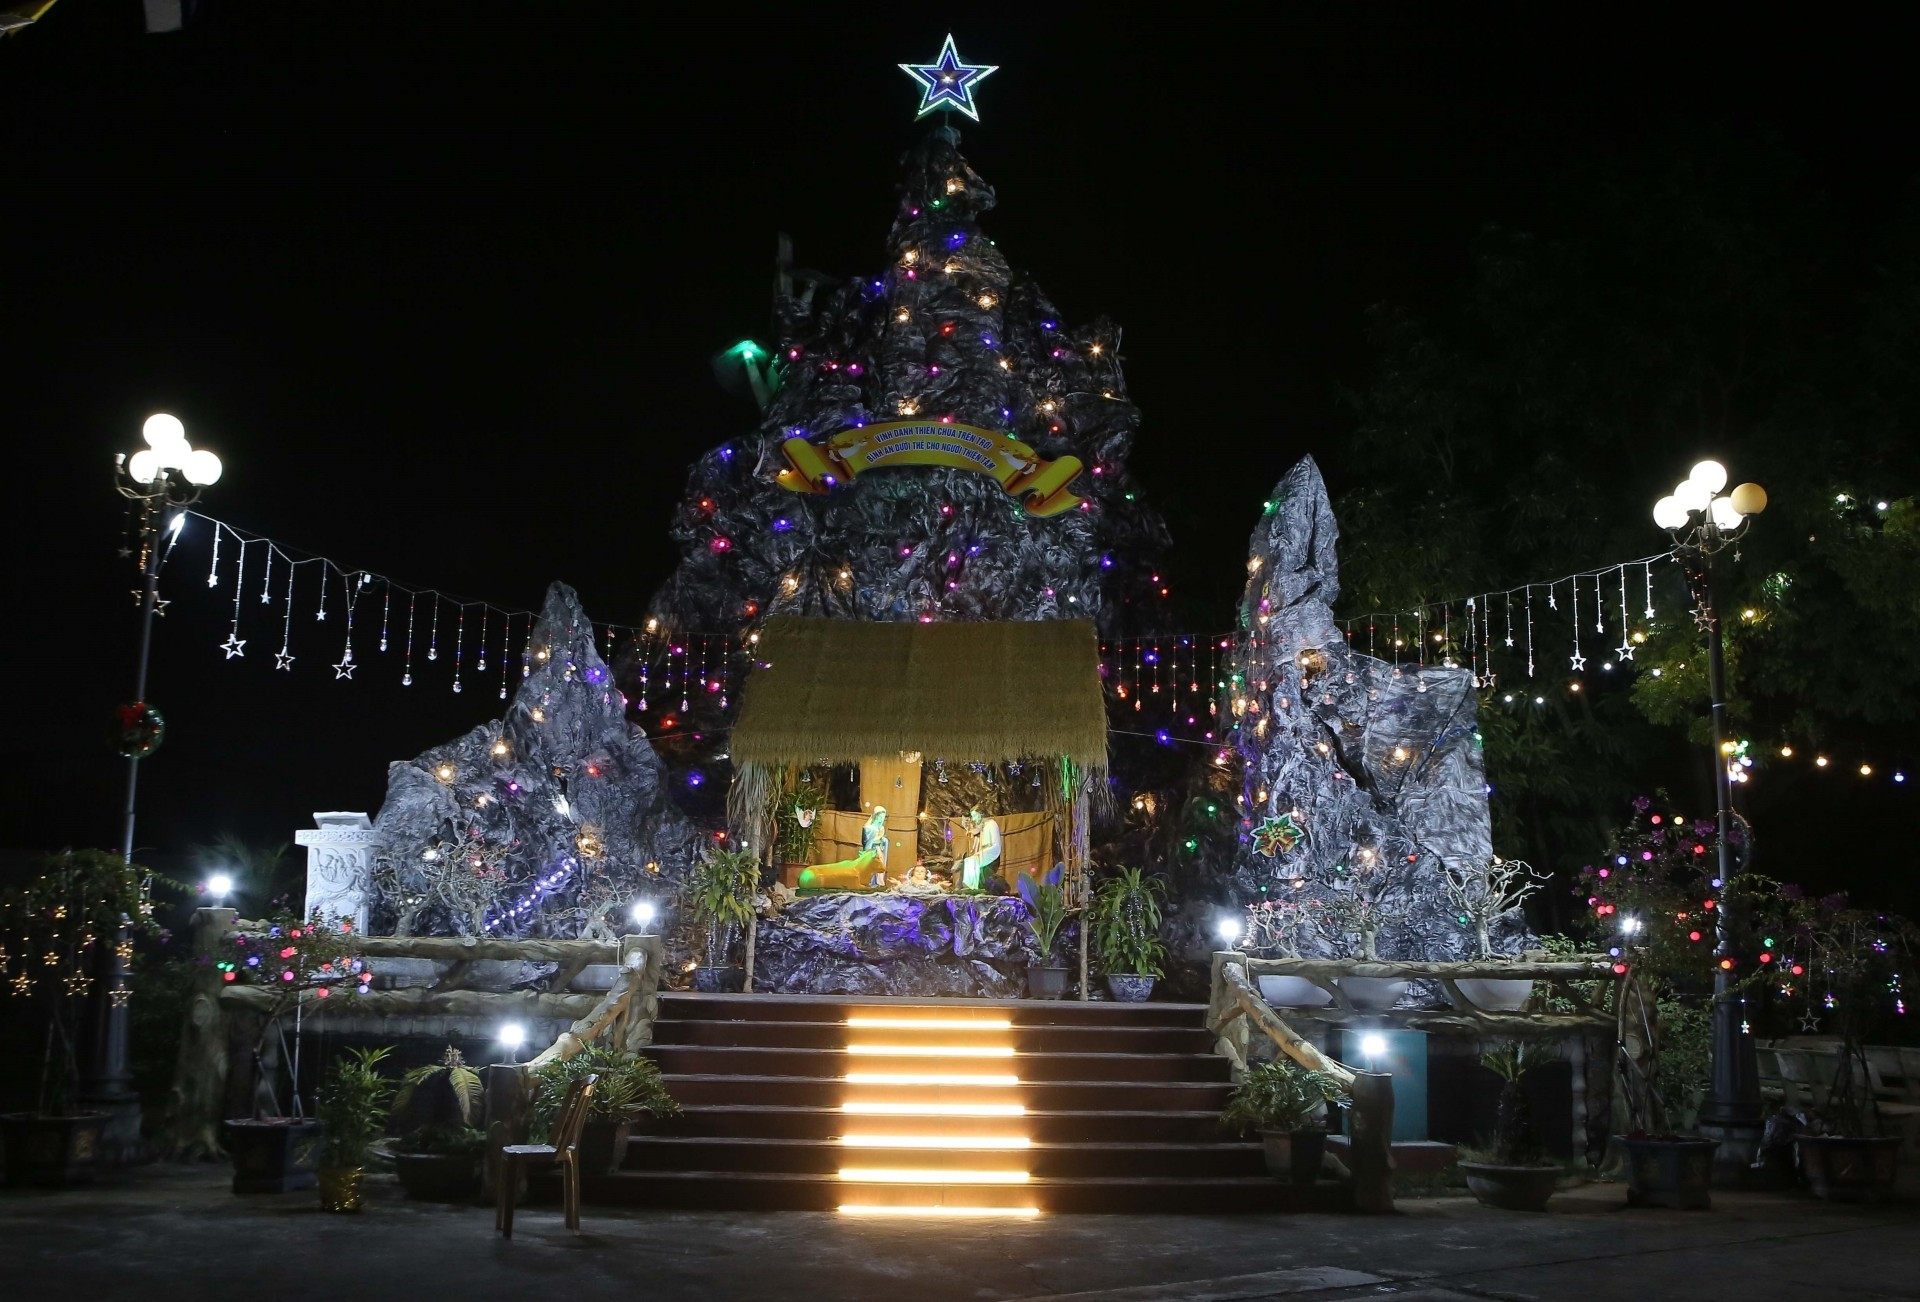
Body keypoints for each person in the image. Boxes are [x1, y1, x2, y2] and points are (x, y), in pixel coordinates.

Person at [955, 807, 1001, 890]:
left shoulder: (992, 824)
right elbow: (976, 830)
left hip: (991, 854)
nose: (973, 819)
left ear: (981, 814)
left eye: (975, 816)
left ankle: (972, 886)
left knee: (972, 861)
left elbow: (996, 845)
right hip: (984, 853)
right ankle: (969, 885)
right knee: (968, 860)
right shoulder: (983, 826)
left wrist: (981, 853)